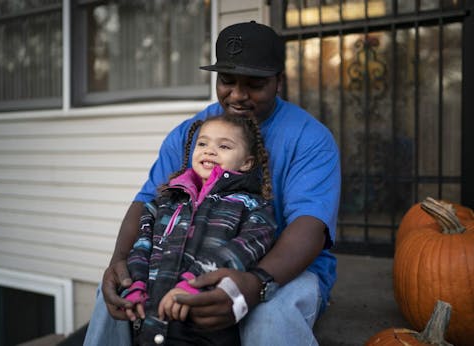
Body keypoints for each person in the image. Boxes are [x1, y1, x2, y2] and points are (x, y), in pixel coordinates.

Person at [84, 20, 341, 346]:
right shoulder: (191, 134)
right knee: (115, 296)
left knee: (270, 316)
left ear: (279, 82)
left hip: (285, 268)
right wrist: (118, 262)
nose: (237, 95)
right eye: (227, 81)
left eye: (254, 84)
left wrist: (254, 283)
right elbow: (147, 201)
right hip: (192, 261)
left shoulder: (310, 138)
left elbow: (311, 226)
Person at [120, 114, 276, 345]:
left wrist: (192, 282)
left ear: (246, 163)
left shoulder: (252, 208)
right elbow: (142, 247)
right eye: (203, 143)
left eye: (224, 146)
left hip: (205, 328)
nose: (210, 151)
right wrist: (136, 284)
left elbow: (239, 252)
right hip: (148, 325)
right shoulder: (164, 202)